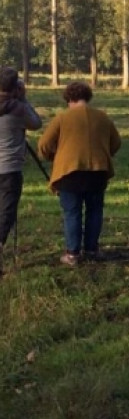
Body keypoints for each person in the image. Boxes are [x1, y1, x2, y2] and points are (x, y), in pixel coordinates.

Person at [38, 81, 120, 267]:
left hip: (70, 172)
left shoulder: (62, 118)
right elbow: (116, 143)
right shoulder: (103, 117)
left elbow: (44, 144)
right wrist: (103, 153)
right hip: (98, 171)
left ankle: (72, 254)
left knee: (72, 212)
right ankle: (92, 250)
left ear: (68, 99)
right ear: (88, 97)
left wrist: (53, 157)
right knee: (95, 210)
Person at [0, 67, 43, 277]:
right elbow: (36, 123)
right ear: (15, 87)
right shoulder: (18, 109)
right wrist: (24, 98)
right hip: (10, 168)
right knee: (6, 212)